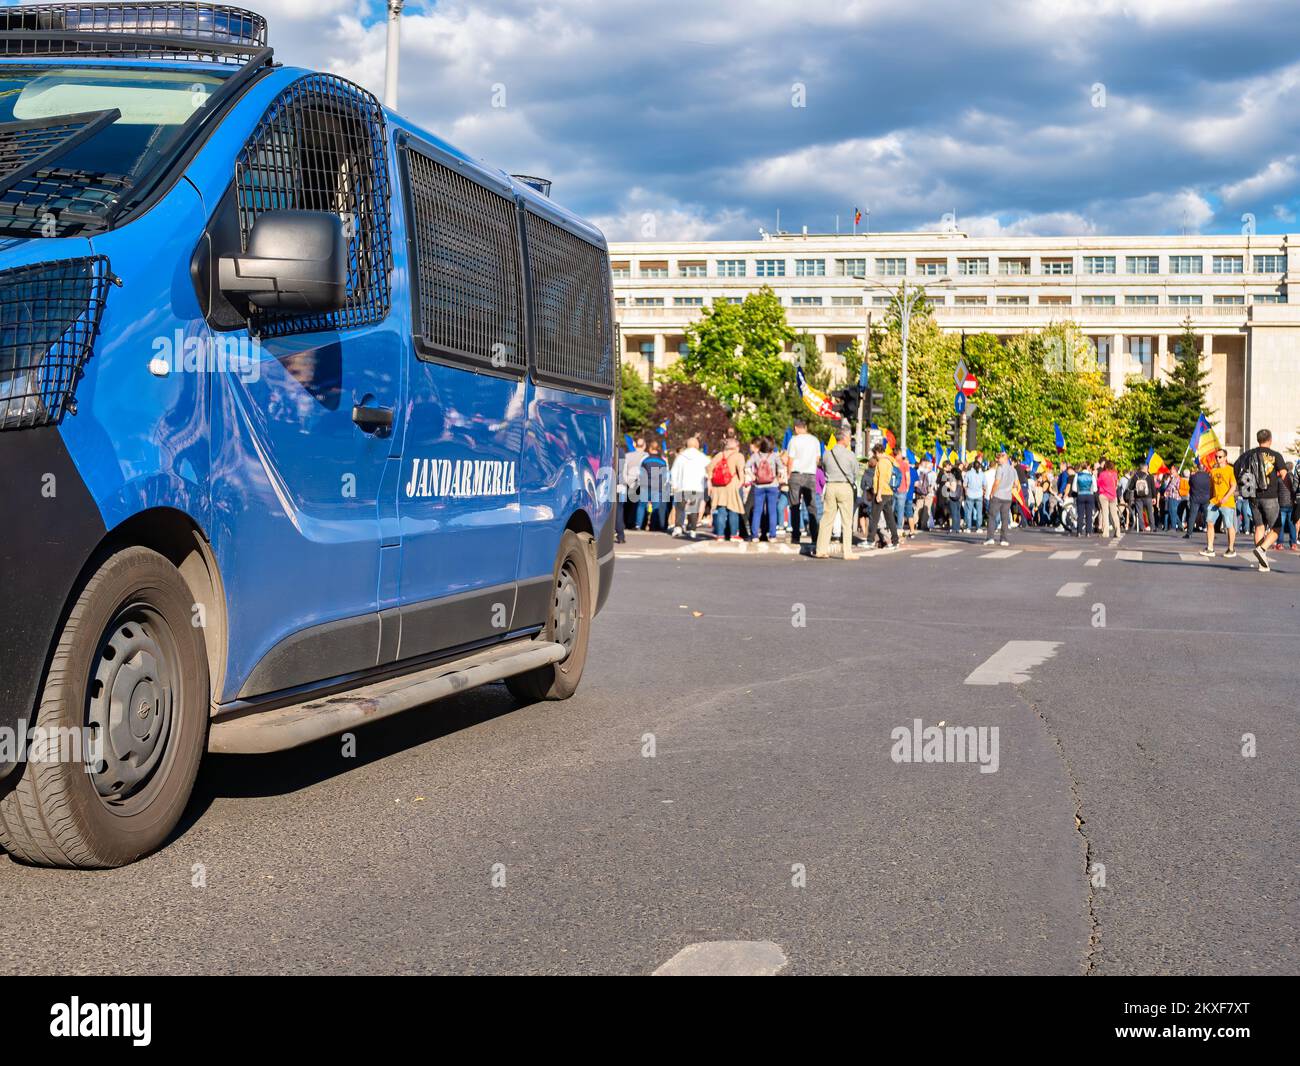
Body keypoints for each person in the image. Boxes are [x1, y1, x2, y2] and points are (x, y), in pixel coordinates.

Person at [1233, 428, 1288, 571]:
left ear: (1258, 440)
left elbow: (1236, 469)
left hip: (1253, 495)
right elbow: (1284, 475)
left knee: (1259, 527)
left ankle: (1262, 562)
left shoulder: (1248, 454)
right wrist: (1292, 492)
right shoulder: (1276, 455)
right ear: (1270, 440)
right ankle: (1262, 549)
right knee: (1276, 528)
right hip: (1270, 496)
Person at [815, 427, 861, 560]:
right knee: (847, 521)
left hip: (830, 486)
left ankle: (821, 549)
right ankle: (847, 552)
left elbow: (823, 467)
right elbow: (855, 472)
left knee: (827, 519)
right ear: (845, 438)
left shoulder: (827, 453)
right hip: (845, 487)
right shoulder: (850, 454)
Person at [785, 420, 821, 546]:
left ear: (796, 428)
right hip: (810, 475)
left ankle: (796, 536)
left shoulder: (794, 440)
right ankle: (815, 535)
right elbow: (817, 459)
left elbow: (790, 459)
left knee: (795, 506)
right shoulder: (815, 440)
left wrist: (788, 474)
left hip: (796, 474)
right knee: (812, 506)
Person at [706, 437, 747, 543]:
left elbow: (709, 468)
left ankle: (720, 535)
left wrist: (710, 483)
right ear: (736, 447)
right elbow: (741, 471)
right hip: (732, 486)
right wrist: (740, 482)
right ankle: (733, 535)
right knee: (733, 510)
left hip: (718, 487)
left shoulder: (719, 455)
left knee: (721, 511)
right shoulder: (739, 456)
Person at [669, 436, 708, 539]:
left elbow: (674, 472)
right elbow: (708, 472)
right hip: (697, 487)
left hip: (682, 486)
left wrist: (674, 485)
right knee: (694, 509)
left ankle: (678, 527)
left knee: (680, 508)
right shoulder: (703, 457)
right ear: (697, 445)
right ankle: (692, 529)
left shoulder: (681, 457)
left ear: (686, 445)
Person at [747, 437, 785, 542]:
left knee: (757, 511)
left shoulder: (755, 455)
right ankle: (772, 536)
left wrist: (753, 477)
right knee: (772, 511)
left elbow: (746, 467)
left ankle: (755, 536)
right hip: (772, 485)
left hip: (759, 486)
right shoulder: (774, 456)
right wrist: (778, 478)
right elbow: (781, 469)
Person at [1202, 449, 1238, 558]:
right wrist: (1210, 498)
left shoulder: (1230, 470)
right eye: (1216, 457)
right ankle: (1210, 548)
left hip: (1227, 502)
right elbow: (1212, 487)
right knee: (1209, 523)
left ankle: (1231, 549)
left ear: (1225, 458)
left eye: (1220, 457)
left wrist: (1226, 497)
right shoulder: (1213, 471)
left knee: (1228, 525)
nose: (1218, 459)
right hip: (1214, 501)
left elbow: (1233, 486)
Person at [870, 442, 900, 549]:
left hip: (882, 492)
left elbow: (881, 478)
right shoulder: (889, 461)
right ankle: (895, 541)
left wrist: (878, 494)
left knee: (874, 516)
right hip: (888, 493)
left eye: (875, 454)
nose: (875, 456)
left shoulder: (882, 462)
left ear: (878, 452)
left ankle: (870, 540)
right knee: (890, 518)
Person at [985, 451, 1016, 546]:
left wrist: (992, 493)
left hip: (998, 495)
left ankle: (990, 538)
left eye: (999, 458)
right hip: (1008, 497)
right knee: (1005, 518)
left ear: (1004, 458)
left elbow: (997, 482)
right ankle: (1004, 539)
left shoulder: (1000, 468)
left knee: (992, 516)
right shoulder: (1013, 470)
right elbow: (1016, 484)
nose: (997, 460)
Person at [621, 436, 647, 531]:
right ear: (644, 446)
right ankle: (635, 523)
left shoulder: (628, 455)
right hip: (641, 482)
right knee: (638, 505)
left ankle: (626, 522)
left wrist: (626, 481)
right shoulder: (646, 456)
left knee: (628, 504)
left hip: (629, 481)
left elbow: (623, 469)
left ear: (635, 445)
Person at [1185, 463, 1211, 538]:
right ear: (1204, 468)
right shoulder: (1208, 477)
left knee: (1192, 516)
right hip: (1206, 498)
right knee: (1208, 516)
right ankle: (1211, 532)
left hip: (1195, 498)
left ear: (1198, 468)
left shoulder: (1193, 477)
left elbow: (1190, 484)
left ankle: (1189, 533)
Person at [1097, 460, 1121, 538]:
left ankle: (1106, 532)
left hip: (1104, 495)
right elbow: (1116, 484)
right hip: (1113, 495)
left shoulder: (1102, 474)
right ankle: (1118, 531)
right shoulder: (1115, 474)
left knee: (1105, 513)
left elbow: (1098, 484)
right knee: (1114, 514)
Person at [1277, 462, 1297, 552]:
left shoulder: (1280, 479)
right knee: (1292, 525)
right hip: (1291, 504)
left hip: (1281, 504)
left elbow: (1276, 491)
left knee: (1281, 525)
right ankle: (1293, 543)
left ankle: (1280, 543)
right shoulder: (1294, 478)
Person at [1130, 463, 1156, 532]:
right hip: (1148, 496)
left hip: (1138, 497)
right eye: (1147, 468)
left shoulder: (1135, 476)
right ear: (1145, 468)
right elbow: (1153, 487)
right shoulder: (1150, 476)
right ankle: (1152, 527)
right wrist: (1154, 497)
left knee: (1140, 512)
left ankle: (1142, 527)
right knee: (1150, 512)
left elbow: (1130, 487)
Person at [1074, 462, 1096, 537]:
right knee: (1089, 515)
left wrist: (1079, 490)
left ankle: (1079, 532)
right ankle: (1088, 532)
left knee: (1080, 514)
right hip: (1089, 495)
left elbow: (1074, 488)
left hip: (1080, 495)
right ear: (1087, 467)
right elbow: (1095, 489)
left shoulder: (1077, 475)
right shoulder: (1091, 476)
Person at [962, 461, 984, 534]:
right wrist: (983, 491)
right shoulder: (982, 474)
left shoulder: (968, 473)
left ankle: (968, 527)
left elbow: (964, 484)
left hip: (970, 494)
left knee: (969, 512)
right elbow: (985, 484)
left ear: (972, 466)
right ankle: (979, 528)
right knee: (979, 512)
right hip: (979, 494)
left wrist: (966, 490)